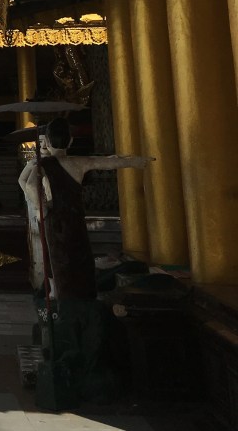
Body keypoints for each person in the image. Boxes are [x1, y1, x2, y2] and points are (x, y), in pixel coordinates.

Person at [18, 117, 151, 299]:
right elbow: (107, 163)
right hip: (75, 218)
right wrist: (134, 162)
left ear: (47, 143)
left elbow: (31, 185)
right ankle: (85, 297)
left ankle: (60, 297)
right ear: (71, 141)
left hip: (54, 220)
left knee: (58, 260)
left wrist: (42, 206)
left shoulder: (44, 164)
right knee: (80, 258)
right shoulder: (79, 162)